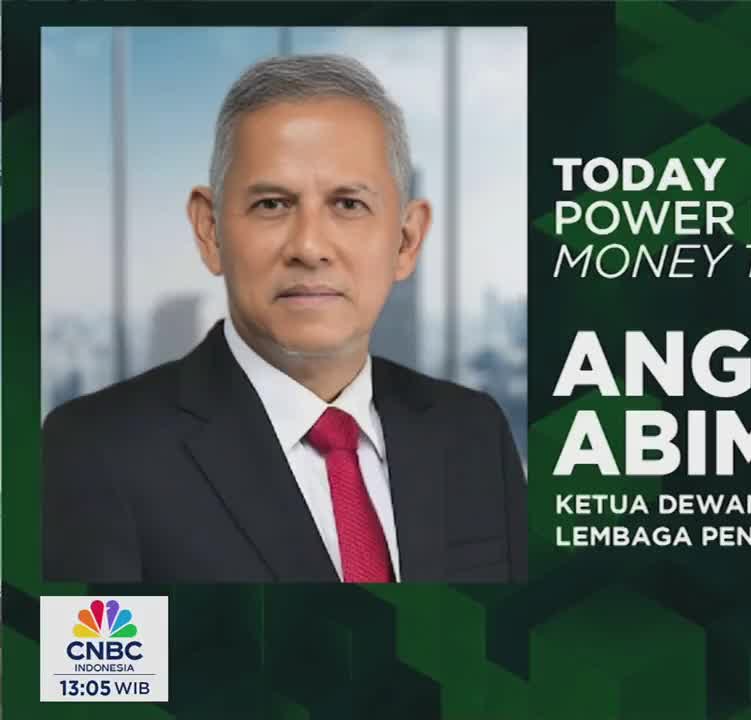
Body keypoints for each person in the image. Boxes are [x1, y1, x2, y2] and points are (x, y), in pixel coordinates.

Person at [42, 54, 527, 583]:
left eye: (348, 204)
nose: (310, 247)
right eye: (273, 204)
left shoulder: (474, 433)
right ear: (210, 232)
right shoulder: (97, 451)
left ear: (407, 240)